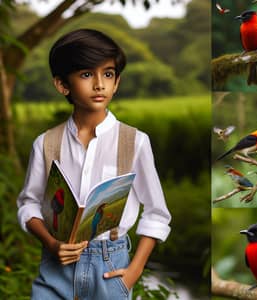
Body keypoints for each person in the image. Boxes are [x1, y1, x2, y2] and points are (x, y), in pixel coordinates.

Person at [17, 28, 171, 299]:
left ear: (117, 82)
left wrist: (133, 272)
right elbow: (28, 203)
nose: (99, 84)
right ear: (62, 85)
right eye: (87, 74)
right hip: (56, 267)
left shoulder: (134, 142)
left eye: (108, 74)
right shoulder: (45, 143)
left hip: (110, 267)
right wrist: (52, 244)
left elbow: (157, 213)